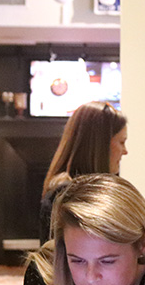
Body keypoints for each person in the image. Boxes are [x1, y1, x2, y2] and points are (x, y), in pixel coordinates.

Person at [39, 101, 128, 241]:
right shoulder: (67, 196)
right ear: (101, 146)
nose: (125, 152)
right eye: (122, 142)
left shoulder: (64, 191)